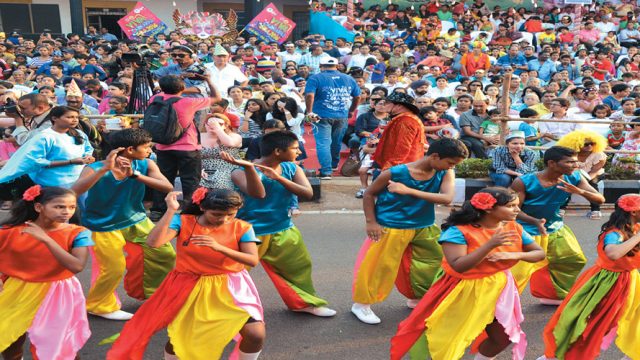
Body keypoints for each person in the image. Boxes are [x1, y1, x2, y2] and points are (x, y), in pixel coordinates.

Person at [107, 189, 265, 360]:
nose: (224, 219)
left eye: (231, 214)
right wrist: (170, 211)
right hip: (189, 285)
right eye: (217, 214)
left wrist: (219, 247)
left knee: (255, 334)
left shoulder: (242, 227)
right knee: (180, 340)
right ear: (203, 207)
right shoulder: (183, 222)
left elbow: (252, 259)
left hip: (231, 287)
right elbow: (153, 242)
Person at [390, 187, 545, 360]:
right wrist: (490, 245)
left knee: (503, 337)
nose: (517, 210)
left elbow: (539, 253)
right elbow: (459, 266)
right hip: (463, 290)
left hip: (499, 288)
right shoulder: (458, 232)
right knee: (448, 340)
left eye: (517, 205)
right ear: (488, 208)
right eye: (511, 206)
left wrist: (514, 254)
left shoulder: (513, 227)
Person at [352, 139, 468, 324]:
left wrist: (409, 191)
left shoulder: (445, 172)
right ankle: (362, 304)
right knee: (380, 266)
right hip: (392, 225)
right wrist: (371, 222)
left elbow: (447, 198)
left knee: (430, 263)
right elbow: (369, 193)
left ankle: (418, 298)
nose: (451, 167)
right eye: (450, 162)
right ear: (435, 156)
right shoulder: (394, 173)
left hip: (425, 225)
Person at [71, 129, 176, 320]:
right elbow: (74, 191)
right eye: (146, 147)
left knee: (164, 253)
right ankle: (99, 305)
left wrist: (135, 175)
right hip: (102, 225)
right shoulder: (95, 168)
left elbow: (167, 186)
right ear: (129, 149)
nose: (149, 150)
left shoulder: (145, 164)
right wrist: (104, 169)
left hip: (136, 219)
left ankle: (153, 293)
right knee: (113, 267)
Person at [233, 130, 336, 317]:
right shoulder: (240, 171)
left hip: (283, 229)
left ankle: (304, 303)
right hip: (248, 233)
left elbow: (307, 193)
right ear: (278, 151)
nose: (299, 152)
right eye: (295, 148)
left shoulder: (292, 168)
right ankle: (225, 312)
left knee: (298, 268)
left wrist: (279, 178)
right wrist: (251, 169)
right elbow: (258, 194)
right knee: (231, 274)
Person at [539, 194, 640, 360]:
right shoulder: (615, 233)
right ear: (634, 212)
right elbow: (613, 253)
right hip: (607, 284)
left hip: (630, 282)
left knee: (635, 321)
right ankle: (554, 356)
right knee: (589, 324)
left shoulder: (634, 228)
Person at [0, 186, 92, 359]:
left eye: (71, 207)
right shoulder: (11, 230)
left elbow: (77, 266)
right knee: (9, 336)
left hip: (58, 292)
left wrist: (45, 239)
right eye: (59, 206)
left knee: (59, 344)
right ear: (38, 207)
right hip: (17, 290)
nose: (66, 212)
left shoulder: (78, 233)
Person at [510, 146, 605, 304]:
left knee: (573, 259)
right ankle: (499, 306)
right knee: (517, 273)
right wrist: (534, 221)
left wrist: (581, 192)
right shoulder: (523, 181)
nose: (576, 165)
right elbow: (512, 210)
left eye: (576, 162)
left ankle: (552, 294)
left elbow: (600, 199)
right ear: (552, 163)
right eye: (570, 162)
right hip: (526, 230)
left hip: (555, 228)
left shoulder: (574, 177)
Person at [148, 75, 220, 221]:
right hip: (188, 147)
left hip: (163, 146)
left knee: (163, 178)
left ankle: (158, 210)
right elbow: (217, 97)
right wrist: (208, 79)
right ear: (182, 88)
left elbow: (163, 91)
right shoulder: (188, 102)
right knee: (191, 180)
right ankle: (189, 211)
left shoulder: (155, 99)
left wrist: (173, 84)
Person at [0, 106, 95, 200]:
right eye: (70, 117)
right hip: (54, 182)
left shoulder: (79, 133)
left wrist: (88, 156)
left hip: (79, 180)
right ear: (54, 118)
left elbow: (88, 148)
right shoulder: (45, 137)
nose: (75, 120)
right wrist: (70, 162)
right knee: (58, 209)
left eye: (76, 117)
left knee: (80, 210)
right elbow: (36, 161)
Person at [305, 57, 361, 179]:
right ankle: (333, 165)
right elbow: (358, 97)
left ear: (320, 65)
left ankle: (326, 171)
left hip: (320, 115)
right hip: (342, 115)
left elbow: (309, 95)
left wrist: (309, 111)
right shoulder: (348, 78)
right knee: (336, 142)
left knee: (323, 143)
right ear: (337, 66)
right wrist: (351, 110)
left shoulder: (315, 78)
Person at [556, 130, 608, 220]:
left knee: (592, 183)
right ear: (576, 144)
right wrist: (578, 179)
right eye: (586, 144)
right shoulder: (570, 154)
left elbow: (594, 171)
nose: (590, 146)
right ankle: (561, 208)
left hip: (594, 174)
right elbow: (571, 169)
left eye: (592, 143)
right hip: (575, 173)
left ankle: (595, 210)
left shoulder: (599, 155)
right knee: (569, 183)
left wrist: (584, 180)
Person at [372, 92, 426, 171]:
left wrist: (390, 167)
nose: (384, 105)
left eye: (387, 102)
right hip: (402, 166)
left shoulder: (405, 121)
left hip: (400, 168)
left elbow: (402, 147)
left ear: (399, 106)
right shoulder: (406, 118)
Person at [200, 113, 243, 189]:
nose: (213, 126)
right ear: (205, 124)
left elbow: (230, 143)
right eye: (210, 123)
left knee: (220, 182)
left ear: (225, 125)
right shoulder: (198, 136)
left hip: (228, 170)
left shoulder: (234, 136)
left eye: (219, 124)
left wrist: (218, 129)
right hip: (203, 170)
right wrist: (198, 169)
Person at [459, 89, 494, 159]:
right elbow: (467, 131)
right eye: (475, 106)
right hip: (470, 137)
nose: (478, 108)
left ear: (487, 104)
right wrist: (485, 138)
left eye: (481, 106)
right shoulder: (465, 114)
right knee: (478, 144)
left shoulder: (492, 115)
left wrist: (496, 137)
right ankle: (484, 163)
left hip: (491, 135)